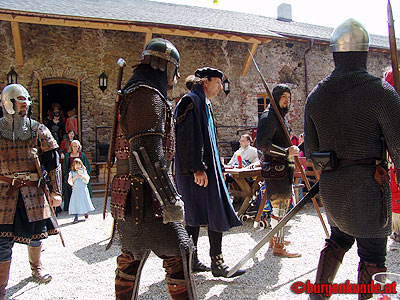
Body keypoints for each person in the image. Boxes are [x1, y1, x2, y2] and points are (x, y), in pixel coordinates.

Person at [304, 19, 400, 300]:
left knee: (338, 240)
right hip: (370, 190)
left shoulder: (316, 96)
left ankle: (318, 295)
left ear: (335, 53)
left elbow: (311, 152)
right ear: (365, 53)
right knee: (372, 255)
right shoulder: (380, 92)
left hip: (334, 188)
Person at [110, 38, 197, 300]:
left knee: (131, 256)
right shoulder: (147, 94)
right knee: (180, 250)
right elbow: (148, 154)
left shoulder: (137, 91)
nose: (172, 79)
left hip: (132, 192)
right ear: (165, 66)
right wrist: (170, 199)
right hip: (145, 194)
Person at [174, 67, 245, 277]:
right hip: (194, 172)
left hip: (206, 170)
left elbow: (209, 140)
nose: (220, 87)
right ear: (205, 81)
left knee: (212, 212)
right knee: (195, 216)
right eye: (218, 82)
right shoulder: (190, 101)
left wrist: (219, 167)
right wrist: (197, 168)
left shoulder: (204, 103)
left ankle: (210, 262)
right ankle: (195, 261)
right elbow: (186, 139)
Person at [0, 84, 62, 299]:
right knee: (2, 240)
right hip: (3, 193)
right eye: (19, 99)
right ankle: (1, 286)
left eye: (26, 99)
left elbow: (53, 163)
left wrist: (56, 191)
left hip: (32, 192)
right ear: (8, 103)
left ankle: (36, 267)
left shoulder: (38, 130)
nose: (24, 103)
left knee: (36, 236)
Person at [256, 84, 301, 258]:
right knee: (280, 207)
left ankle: (274, 239)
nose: (287, 101)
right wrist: (285, 152)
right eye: (283, 97)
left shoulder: (278, 116)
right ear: (275, 97)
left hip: (281, 168)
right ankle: (279, 247)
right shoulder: (269, 117)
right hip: (276, 168)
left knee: (280, 205)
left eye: (289, 98)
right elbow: (262, 144)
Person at [62, 140, 92, 211]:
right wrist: (68, 176)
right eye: (74, 146)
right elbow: (65, 167)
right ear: (71, 147)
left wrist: (83, 174)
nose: (75, 147)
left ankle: (84, 208)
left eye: (76, 146)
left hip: (81, 176)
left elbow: (86, 166)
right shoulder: (67, 156)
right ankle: (70, 208)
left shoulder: (82, 155)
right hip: (72, 176)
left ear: (79, 147)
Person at [68, 158, 94, 223]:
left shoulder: (83, 171)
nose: (78, 166)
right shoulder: (72, 172)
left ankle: (85, 212)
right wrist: (76, 176)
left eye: (79, 165)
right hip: (76, 189)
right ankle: (76, 216)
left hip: (83, 188)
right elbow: (70, 181)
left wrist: (82, 176)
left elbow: (87, 179)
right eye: (76, 165)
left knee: (84, 200)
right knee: (76, 202)